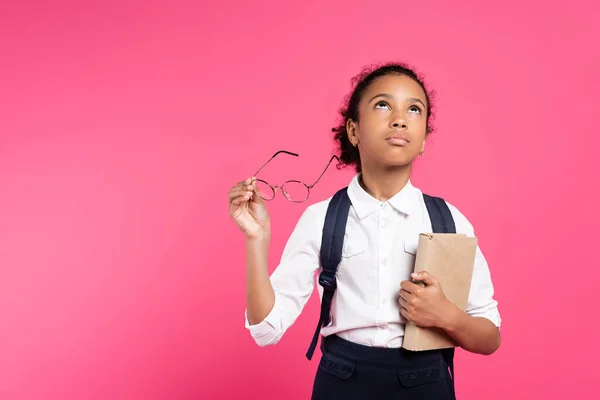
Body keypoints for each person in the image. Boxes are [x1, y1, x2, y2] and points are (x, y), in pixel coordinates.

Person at [227, 62, 501, 399]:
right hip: (342, 383)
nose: (399, 118)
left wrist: (449, 317)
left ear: (425, 140)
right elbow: (266, 331)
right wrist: (257, 240)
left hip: (426, 384)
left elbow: (489, 337)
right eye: (383, 105)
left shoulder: (450, 220)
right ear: (353, 131)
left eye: (414, 109)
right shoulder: (321, 218)